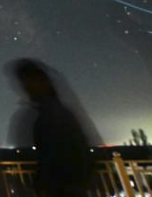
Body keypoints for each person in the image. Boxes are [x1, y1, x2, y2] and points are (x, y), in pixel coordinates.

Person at [8, 59, 96, 197]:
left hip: (64, 188)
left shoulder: (50, 113)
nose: (25, 87)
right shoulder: (55, 111)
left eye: (28, 82)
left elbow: (56, 152)